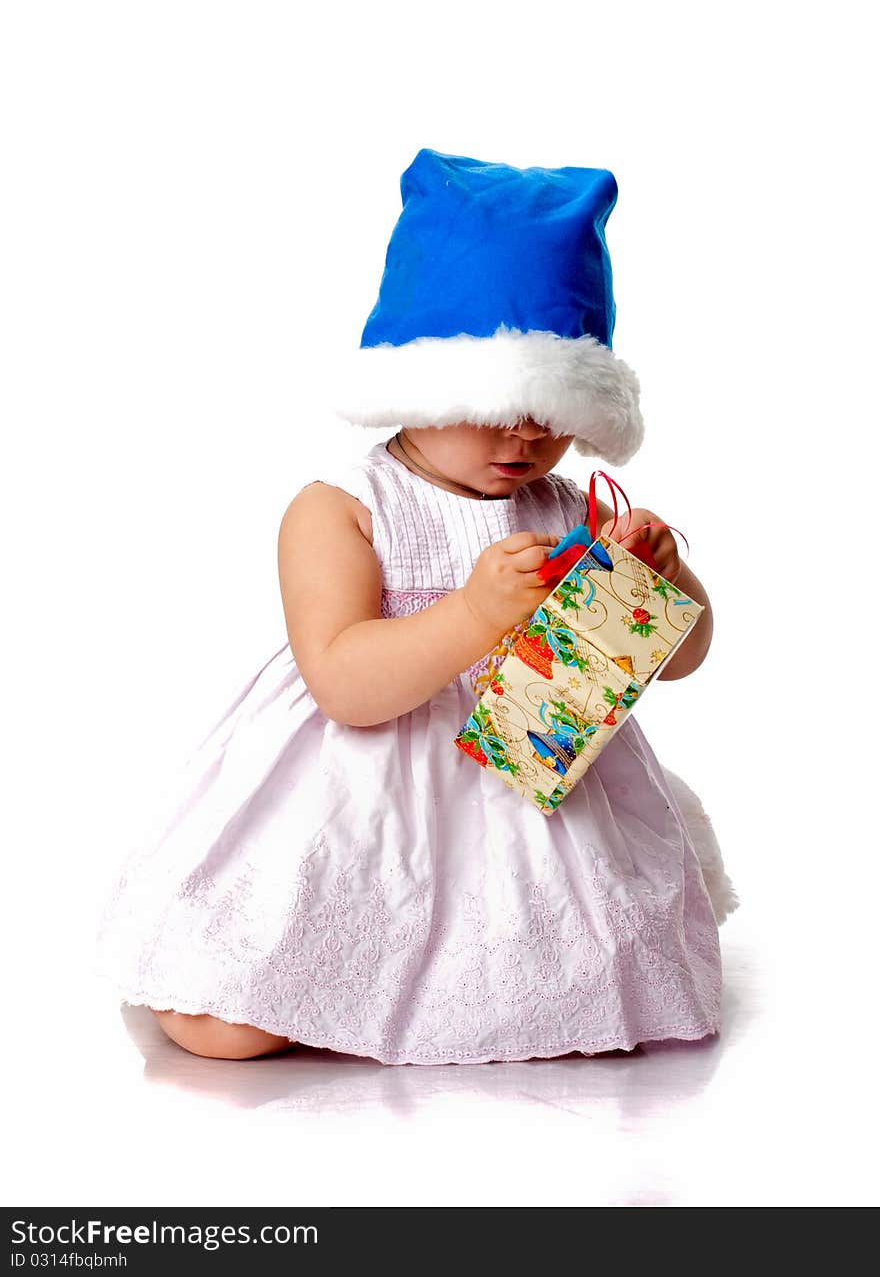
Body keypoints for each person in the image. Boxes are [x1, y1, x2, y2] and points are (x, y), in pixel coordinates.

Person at [94, 148, 737, 1065]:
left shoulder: (567, 510)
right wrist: (475, 618)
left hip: (532, 799)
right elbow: (345, 683)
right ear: (424, 382)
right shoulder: (341, 510)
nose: (526, 434)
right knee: (222, 1027)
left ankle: (482, 995)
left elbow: (679, 658)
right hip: (366, 802)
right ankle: (295, 973)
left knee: (604, 980)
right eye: (496, 404)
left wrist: (668, 588)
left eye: (552, 412)